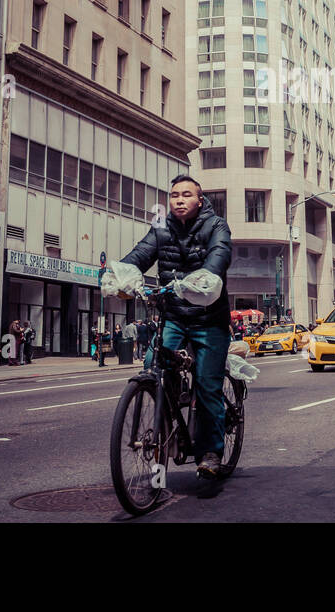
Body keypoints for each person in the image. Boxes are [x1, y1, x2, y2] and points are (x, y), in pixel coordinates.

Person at [110, 173, 233, 480]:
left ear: (199, 200)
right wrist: (121, 275)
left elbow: (220, 256)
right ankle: (171, 408)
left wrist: (202, 279)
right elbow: (141, 254)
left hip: (209, 318)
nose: (179, 199)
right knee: (153, 362)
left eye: (186, 195)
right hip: (174, 315)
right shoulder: (161, 228)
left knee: (207, 387)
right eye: (174, 195)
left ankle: (210, 452)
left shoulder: (215, 225)